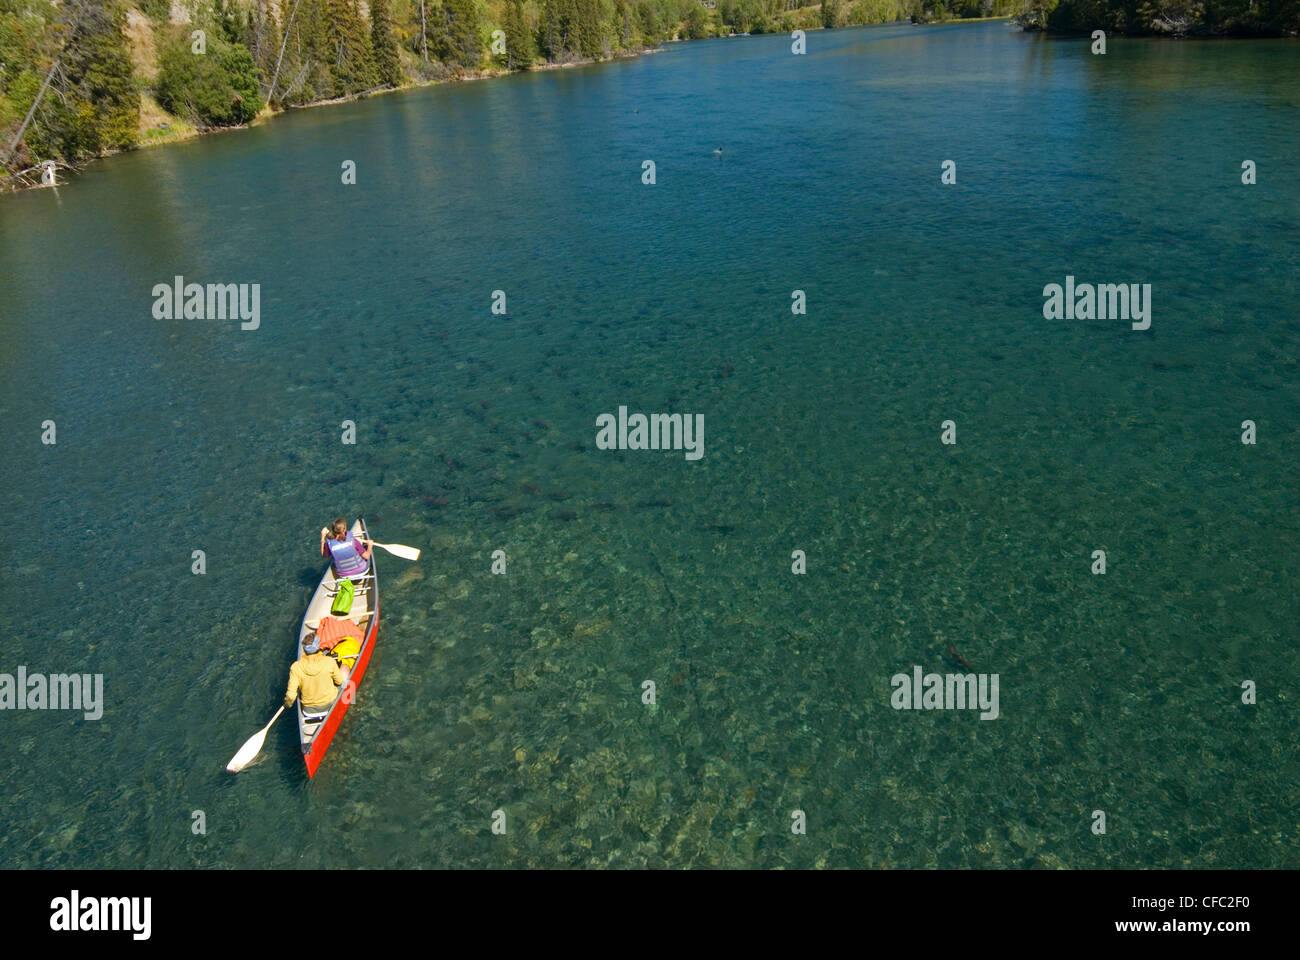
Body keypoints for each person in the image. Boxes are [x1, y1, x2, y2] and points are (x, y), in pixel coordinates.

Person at [285, 633, 343, 715]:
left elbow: (291, 696)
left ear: (304, 650)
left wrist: (287, 704)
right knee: (345, 679)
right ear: (318, 647)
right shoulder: (329, 661)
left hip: (308, 710)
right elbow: (339, 681)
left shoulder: (295, 667)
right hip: (331, 704)